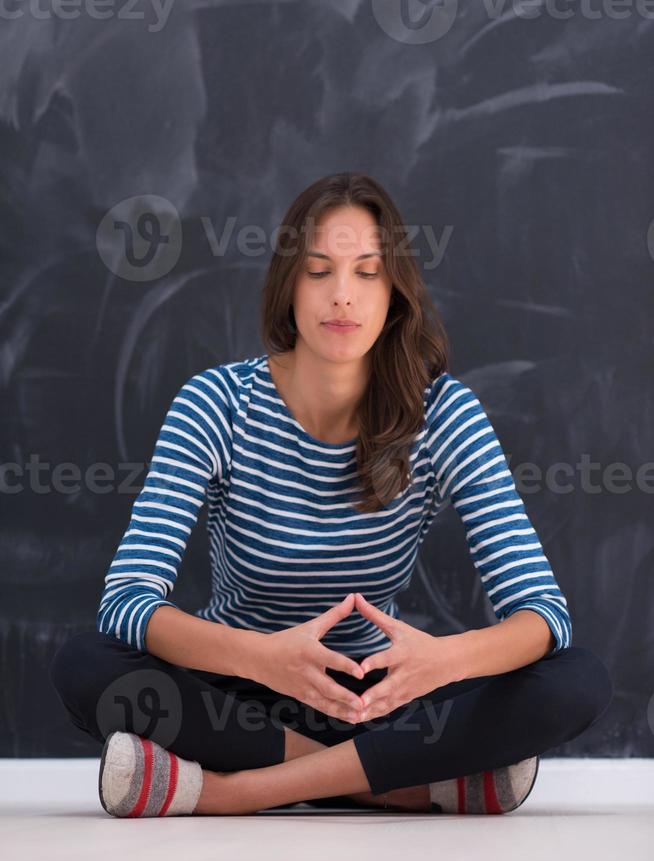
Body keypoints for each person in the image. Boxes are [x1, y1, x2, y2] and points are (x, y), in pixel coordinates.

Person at [49, 172, 613, 818]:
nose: (342, 296)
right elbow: (126, 603)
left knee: (576, 681)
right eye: (319, 271)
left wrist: (440, 662)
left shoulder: (446, 414)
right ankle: (408, 786)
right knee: (86, 664)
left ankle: (230, 791)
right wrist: (265, 659)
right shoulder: (215, 404)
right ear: (287, 286)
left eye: (367, 272)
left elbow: (545, 616)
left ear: (395, 290)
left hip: (379, 702)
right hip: (238, 691)